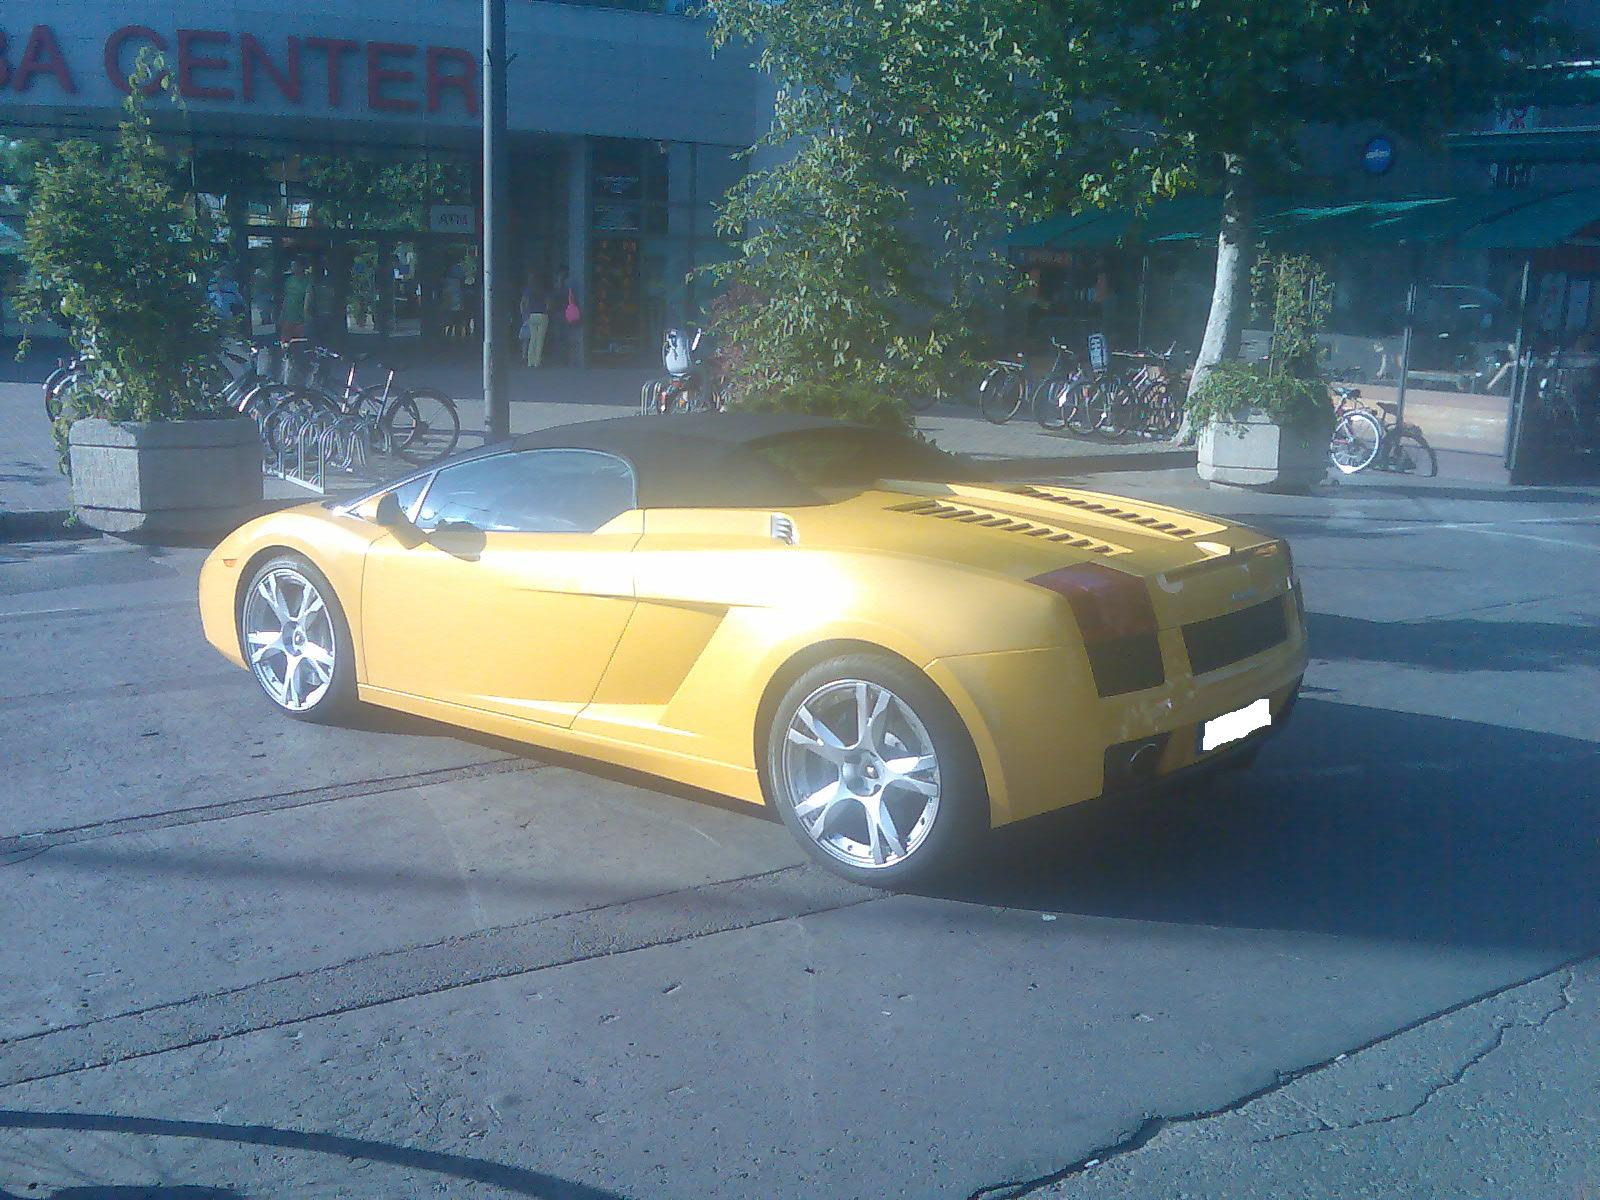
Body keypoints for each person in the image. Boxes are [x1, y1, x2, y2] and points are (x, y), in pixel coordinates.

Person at [547, 265, 579, 366]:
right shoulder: (567, 290)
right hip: (565, 314)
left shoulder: (554, 290)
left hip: (556, 314)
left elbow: (550, 304)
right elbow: (572, 301)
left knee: (558, 338)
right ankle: (566, 359)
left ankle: (559, 359)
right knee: (566, 337)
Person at [520, 268, 549, 367]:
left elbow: (524, 303)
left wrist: (524, 315)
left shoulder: (528, 289)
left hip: (531, 315)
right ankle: (537, 362)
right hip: (542, 315)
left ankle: (530, 362)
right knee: (540, 340)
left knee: (532, 339)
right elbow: (548, 303)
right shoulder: (543, 289)